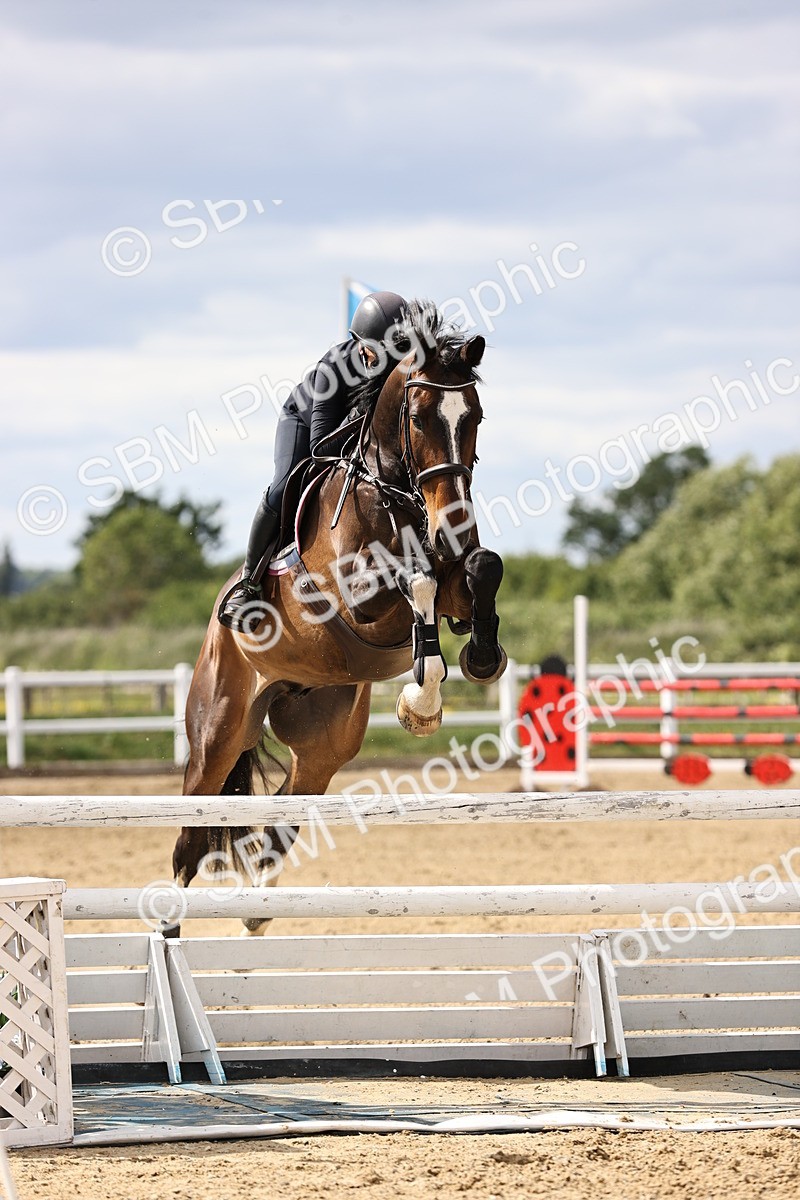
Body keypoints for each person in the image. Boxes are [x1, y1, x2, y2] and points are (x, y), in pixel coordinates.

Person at [219, 290, 408, 630]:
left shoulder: (401, 365)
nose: (387, 362)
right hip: (305, 424)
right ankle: (248, 584)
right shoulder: (333, 369)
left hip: (354, 437)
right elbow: (320, 445)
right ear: (361, 343)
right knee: (281, 488)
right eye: (379, 352)